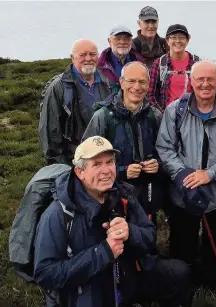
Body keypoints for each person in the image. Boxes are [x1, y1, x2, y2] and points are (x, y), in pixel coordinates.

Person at [33, 136, 192, 307]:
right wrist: (103, 252)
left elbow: (150, 236)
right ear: (80, 172)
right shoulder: (58, 213)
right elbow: (45, 274)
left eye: (110, 162)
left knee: (178, 274)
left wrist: (130, 232)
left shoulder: (123, 193)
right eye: (96, 164)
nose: (106, 170)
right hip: (86, 287)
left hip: (126, 274)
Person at [156, 60, 216, 291]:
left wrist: (209, 174)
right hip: (183, 194)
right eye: (200, 79)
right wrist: (184, 175)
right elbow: (164, 148)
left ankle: (215, 288)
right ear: (191, 81)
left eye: (210, 79)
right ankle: (181, 286)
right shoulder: (175, 110)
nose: (205, 84)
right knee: (181, 245)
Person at [83, 61, 164, 224]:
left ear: (149, 85)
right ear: (121, 82)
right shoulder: (103, 117)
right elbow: (86, 162)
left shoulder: (155, 116)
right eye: (131, 81)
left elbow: (168, 152)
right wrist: (122, 172)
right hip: (111, 199)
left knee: (145, 239)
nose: (137, 87)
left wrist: (158, 165)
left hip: (147, 198)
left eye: (142, 82)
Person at [39, 39, 112, 165]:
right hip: (73, 161)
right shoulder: (58, 87)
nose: (88, 58)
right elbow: (50, 133)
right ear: (72, 58)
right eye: (82, 55)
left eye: (92, 54)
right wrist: (62, 167)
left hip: (103, 157)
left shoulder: (107, 83)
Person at [148, 24, 200, 113]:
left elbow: (202, 91)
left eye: (181, 37)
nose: (178, 41)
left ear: (187, 40)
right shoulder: (160, 64)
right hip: (165, 115)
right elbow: (150, 94)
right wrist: (163, 114)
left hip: (191, 115)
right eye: (173, 37)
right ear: (167, 40)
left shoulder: (197, 63)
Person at [98, 25, 144, 93]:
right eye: (118, 39)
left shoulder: (140, 63)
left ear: (131, 41)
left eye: (126, 39)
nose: (122, 42)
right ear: (109, 41)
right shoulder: (100, 65)